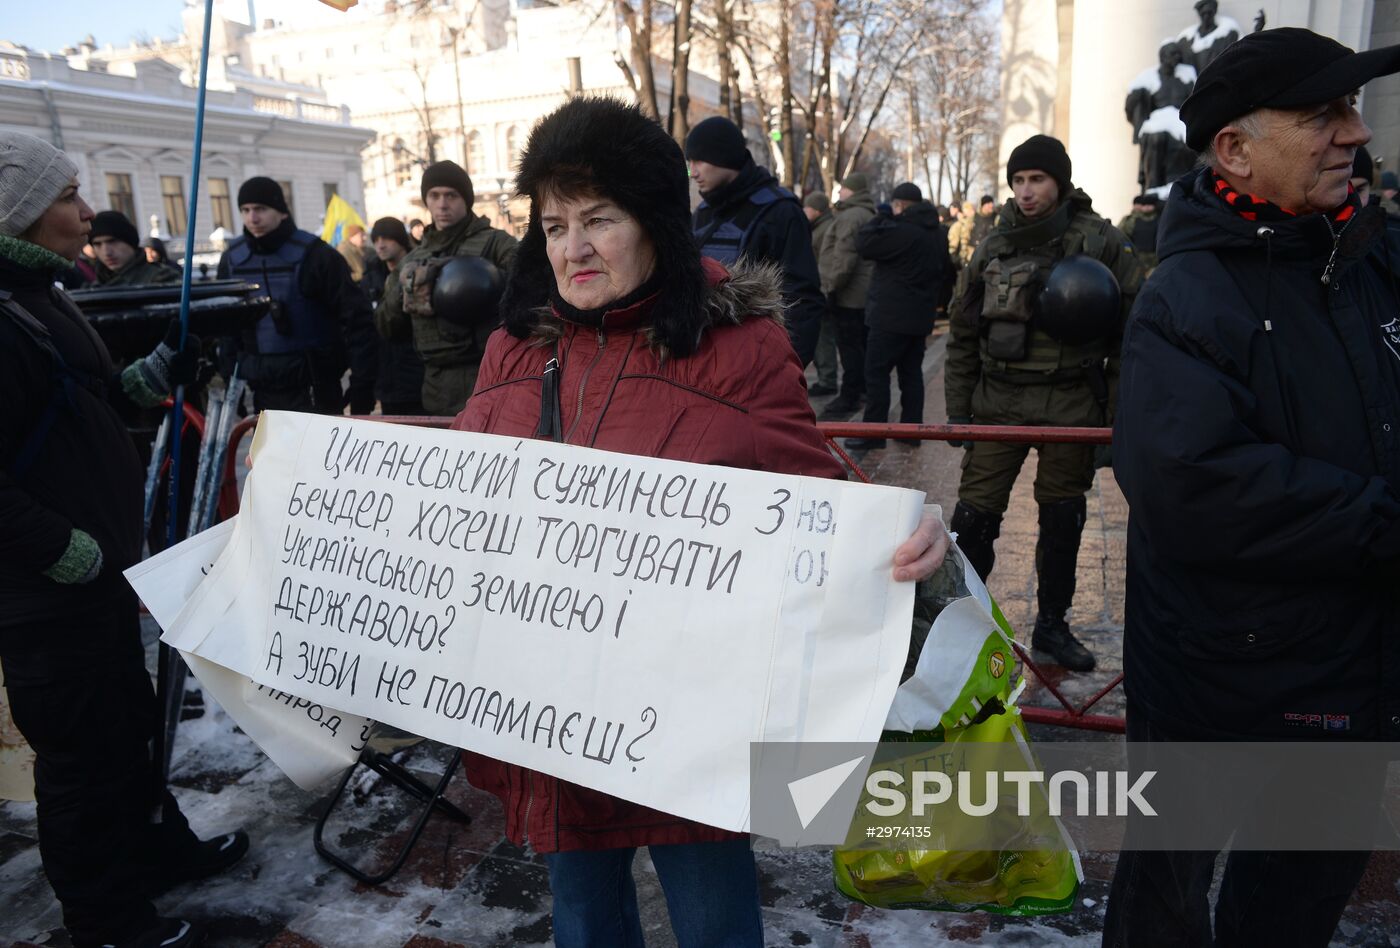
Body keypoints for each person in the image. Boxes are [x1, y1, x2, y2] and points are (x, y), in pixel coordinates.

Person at [451, 96, 950, 948]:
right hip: (551, 705)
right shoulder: (513, 349)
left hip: (691, 718)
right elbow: (458, 507)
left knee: (714, 919)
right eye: (553, 224)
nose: (572, 248)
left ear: (653, 223)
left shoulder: (738, 349)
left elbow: (821, 506)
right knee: (582, 918)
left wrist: (909, 539)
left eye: (598, 219)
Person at [1105, 29, 1400, 947]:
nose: (1354, 133)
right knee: (1166, 906)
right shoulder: (1184, 296)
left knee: (1292, 912)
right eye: (1323, 116)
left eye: (1352, 110)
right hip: (1216, 679)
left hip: (1355, 673)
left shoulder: (1372, 261)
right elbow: (1198, 487)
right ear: (1235, 148)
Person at [0, 131, 248, 948]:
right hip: (47, 594)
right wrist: (60, 549)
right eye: (68, 196)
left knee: (126, 726)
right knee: (78, 762)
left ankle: (153, 854)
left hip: (98, 576)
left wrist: (155, 374)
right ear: (26, 213)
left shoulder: (44, 294)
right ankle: (105, 921)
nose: (84, 209)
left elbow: (84, 401)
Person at [945, 134, 1144, 672]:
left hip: (1073, 402)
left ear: (1060, 180)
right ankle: (956, 624)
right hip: (998, 402)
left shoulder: (1102, 242)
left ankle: (1052, 626)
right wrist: (959, 415)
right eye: (1018, 181)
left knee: (1063, 520)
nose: (1026, 192)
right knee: (974, 516)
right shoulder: (994, 244)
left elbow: (1131, 339)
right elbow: (962, 335)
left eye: (1037, 179)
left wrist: (1114, 420)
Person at [216, 176, 373, 413]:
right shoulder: (232, 260)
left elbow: (358, 321)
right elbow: (228, 327)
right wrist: (231, 381)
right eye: (245, 210)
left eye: (260, 209)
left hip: (316, 387)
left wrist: (363, 384)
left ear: (281, 211)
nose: (252, 218)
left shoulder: (317, 255)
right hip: (263, 388)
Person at [374, 160, 517, 415]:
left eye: (451, 195)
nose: (442, 204)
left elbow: (533, 289)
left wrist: (493, 287)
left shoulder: (497, 245)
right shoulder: (411, 260)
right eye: (434, 196)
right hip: (434, 388)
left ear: (466, 199)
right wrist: (404, 292)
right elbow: (387, 327)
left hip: (491, 380)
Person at [685, 116, 824, 366]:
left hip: (759, 363)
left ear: (723, 157)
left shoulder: (781, 211)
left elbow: (801, 298)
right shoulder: (704, 212)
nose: (692, 172)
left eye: (699, 161)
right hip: (704, 361)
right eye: (689, 162)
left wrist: (788, 368)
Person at [843, 183, 948, 451]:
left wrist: (881, 217)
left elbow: (863, 243)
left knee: (876, 374)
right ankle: (910, 430)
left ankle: (873, 432)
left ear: (899, 204)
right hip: (920, 316)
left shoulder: (902, 231)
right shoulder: (937, 232)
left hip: (889, 317)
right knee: (911, 374)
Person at [816, 171, 876, 419]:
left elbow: (843, 257)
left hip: (848, 295)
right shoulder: (868, 214)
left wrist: (830, 287)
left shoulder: (850, 216)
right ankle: (860, 391)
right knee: (860, 348)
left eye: (843, 188)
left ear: (853, 191)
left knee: (850, 349)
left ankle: (850, 395)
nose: (839, 192)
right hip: (864, 294)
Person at [365, 216, 426, 415]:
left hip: (418, 373)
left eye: (386, 238)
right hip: (386, 375)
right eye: (376, 239)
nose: (380, 245)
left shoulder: (421, 268)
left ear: (400, 239)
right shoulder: (372, 274)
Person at [802, 191, 839, 396]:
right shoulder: (821, 226)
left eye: (807, 207)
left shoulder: (824, 229)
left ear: (816, 210)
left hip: (821, 290)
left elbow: (825, 262)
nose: (804, 211)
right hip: (819, 289)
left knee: (824, 338)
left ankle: (827, 380)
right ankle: (826, 377)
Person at [89, 211, 179, 287]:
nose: (106, 252)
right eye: (97, 244)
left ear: (130, 243)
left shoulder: (161, 279)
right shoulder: (95, 286)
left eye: (112, 242)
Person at [1117, 193, 1165, 269]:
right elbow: (1123, 238)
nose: (1146, 207)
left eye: (1149, 204)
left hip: (1156, 262)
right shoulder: (1132, 220)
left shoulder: (1161, 219)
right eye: (1144, 204)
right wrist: (1128, 253)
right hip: (1137, 260)